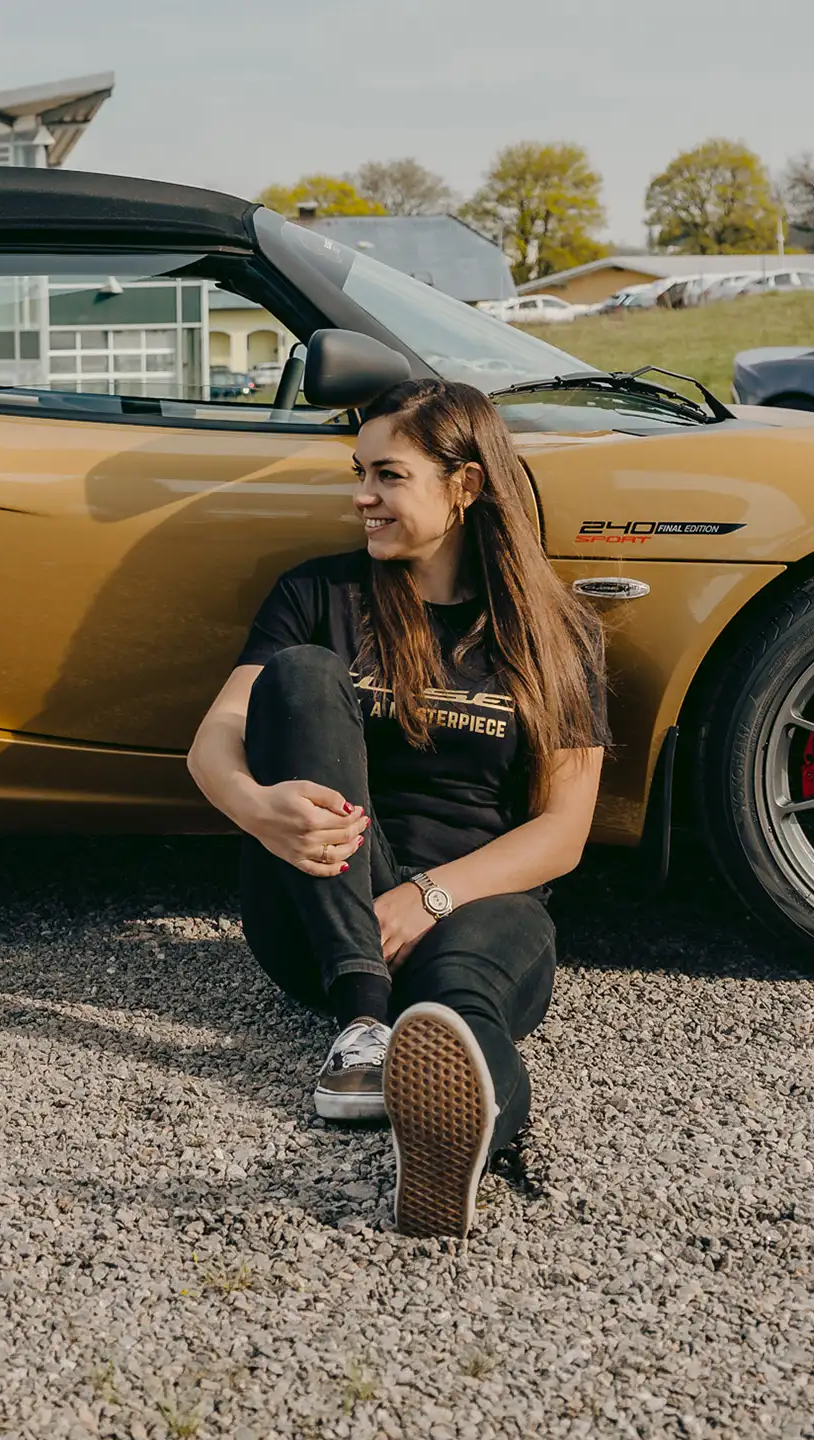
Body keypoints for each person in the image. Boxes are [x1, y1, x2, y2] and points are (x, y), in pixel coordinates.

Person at [187, 379, 608, 1238]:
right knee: (301, 674)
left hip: (477, 901)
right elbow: (213, 741)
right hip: (321, 904)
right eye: (359, 473)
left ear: (465, 486)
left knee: (461, 1005)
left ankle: (462, 1144)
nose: (361, 497)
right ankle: (364, 1023)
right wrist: (259, 809)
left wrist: (428, 899)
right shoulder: (320, 595)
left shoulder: (555, 632)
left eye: (388, 475)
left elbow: (563, 832)